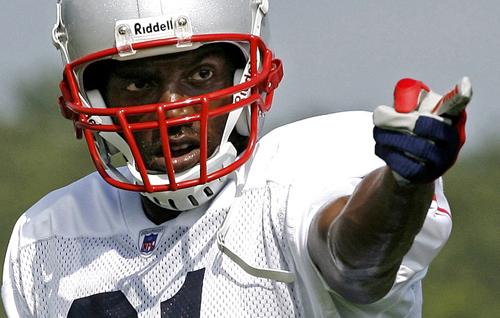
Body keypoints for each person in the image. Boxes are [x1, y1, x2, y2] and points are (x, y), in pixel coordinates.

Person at [1, 0, 471, 317]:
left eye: (201, 73)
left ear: (245, 74)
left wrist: (400, 184)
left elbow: (355, 262)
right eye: (140, 83)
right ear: (95, 96)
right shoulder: (45, 239)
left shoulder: (291, 177)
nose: (175, 111)